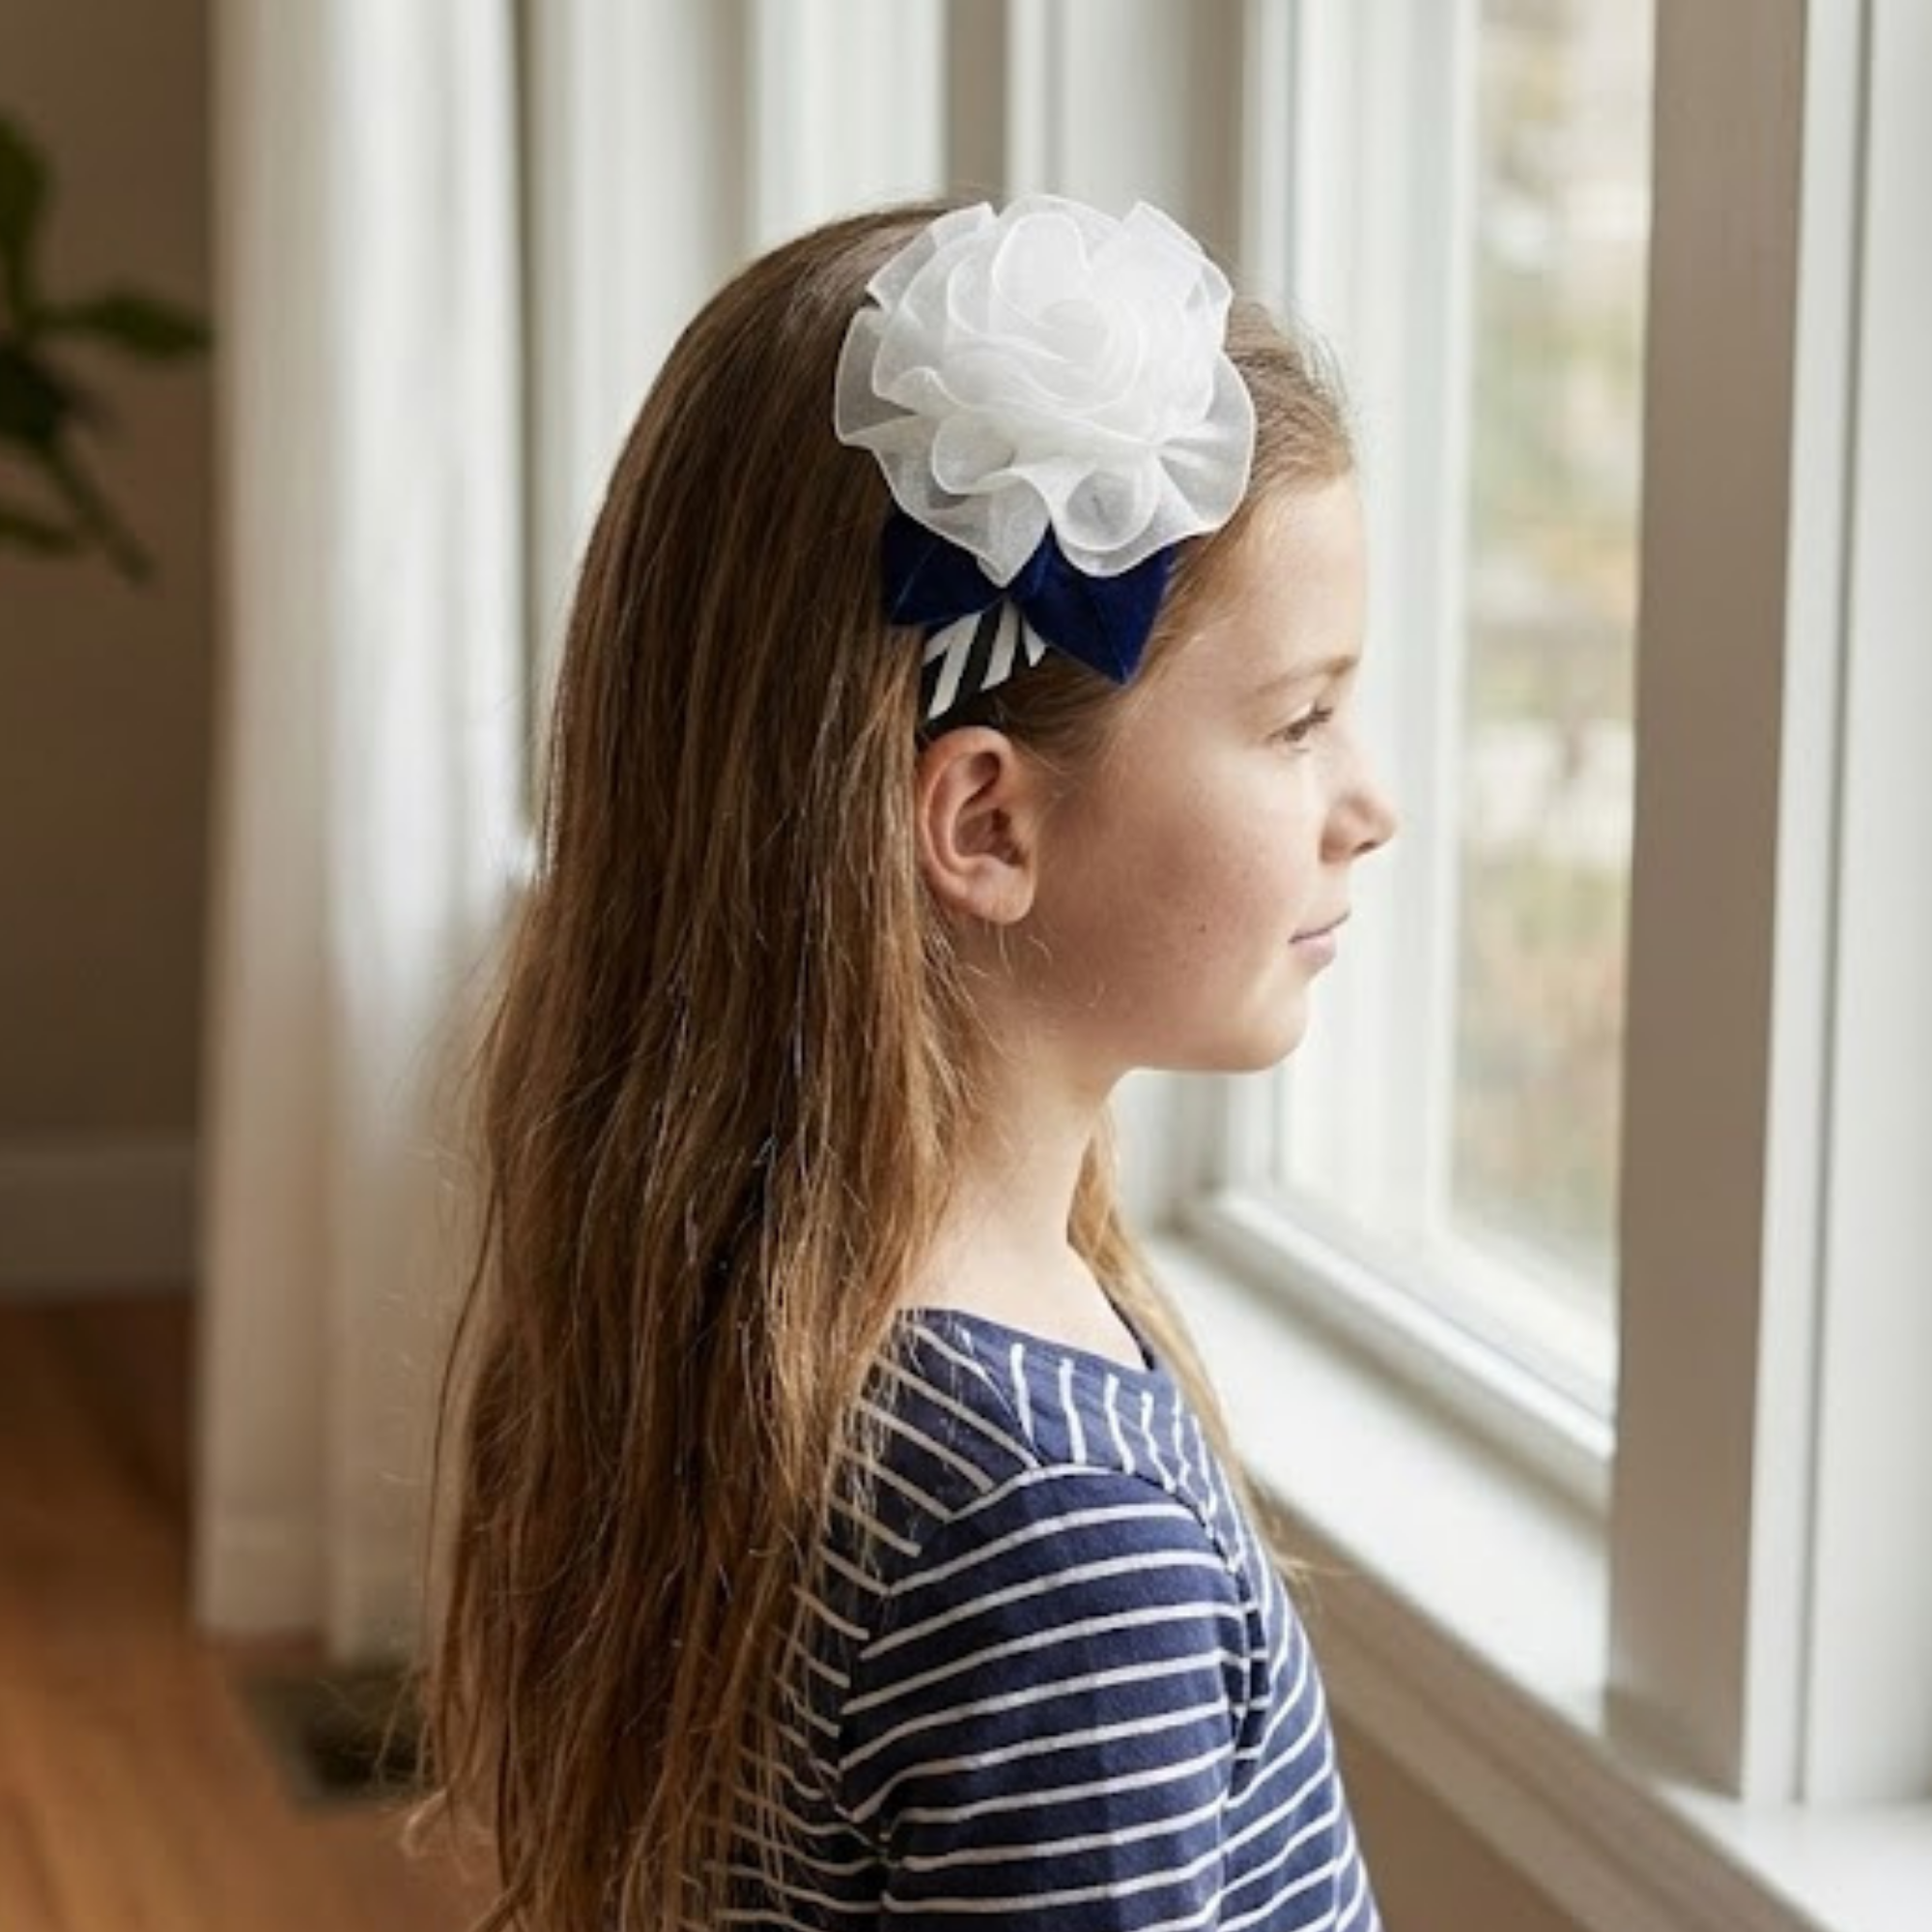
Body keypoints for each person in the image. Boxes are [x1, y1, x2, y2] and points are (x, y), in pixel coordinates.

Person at [418, 194, 1397, 1931]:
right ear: (983, 821)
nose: (1367, 807)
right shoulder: (1059, 1531)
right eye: (1300, 721)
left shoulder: (767, 1308)